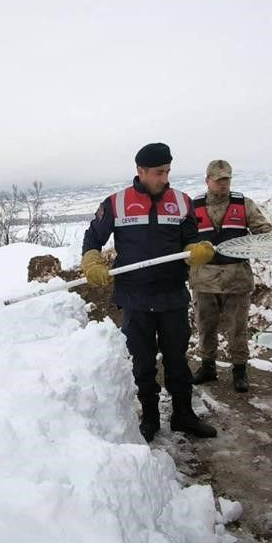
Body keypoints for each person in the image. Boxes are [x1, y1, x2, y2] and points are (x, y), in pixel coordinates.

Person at [81, 142, 219, 442]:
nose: (164, 178)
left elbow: (190, 240)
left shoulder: (181, 203)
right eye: (158, 172)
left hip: (172, 296)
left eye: (168, 171)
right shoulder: (117, 203)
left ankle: (183, 415)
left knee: (177, 360)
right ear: (140, 171)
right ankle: (151, 417)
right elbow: (93, 237)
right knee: (143, 362)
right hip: (135, 298)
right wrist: (91, 260)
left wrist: (194, 251)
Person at [189, 159, 272, 392]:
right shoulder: (193, 207)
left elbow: (265, 232)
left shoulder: (243, 204)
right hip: (204, 280)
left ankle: (239, 369)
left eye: (226, 179)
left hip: (236, 279)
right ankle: (207, 366)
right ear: (208, 180)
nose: (223, 184)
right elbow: (182, 240)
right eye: (218, 180)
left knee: (238, 328)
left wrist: (256, 244)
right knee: (205, 326)